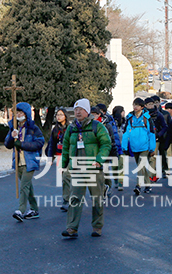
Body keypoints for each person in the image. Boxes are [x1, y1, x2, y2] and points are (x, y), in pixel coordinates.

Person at [61, 98, 111, 238]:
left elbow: (106, 144)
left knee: (97, 199)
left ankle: (97, 227)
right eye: (75, 110)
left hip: (94, 169)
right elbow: (66, 147)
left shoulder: (97, 126)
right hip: (77, 169)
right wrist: (64, 165)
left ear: (87, 111)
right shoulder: (71, 128)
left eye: (80, 109)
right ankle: (72, 228)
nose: (77, 112)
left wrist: (99, 160)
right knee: (75, 198)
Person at [4, 102, 45, 222]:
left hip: (30, 161)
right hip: (18, 162)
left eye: (21, 112)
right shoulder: (14, 127)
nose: (18, 114)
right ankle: (34, 209)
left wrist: (22, 144)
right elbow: (7, 144)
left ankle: (20, 210)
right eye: (16, 112)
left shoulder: (33, 128)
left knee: (24, 186)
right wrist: (12, 137)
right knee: (28, 186)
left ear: (26, 114)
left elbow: (39, 142)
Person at [122, 98, 156, 195]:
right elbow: (125, 133)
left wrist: (152, 148)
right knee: (141, 167)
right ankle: (148, 185)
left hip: (145, 146)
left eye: (137, 105)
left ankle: (138, 185)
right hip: (134, 146)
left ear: (142, 107)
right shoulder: (130, 118)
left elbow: (151, 133)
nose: (135, 107)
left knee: (140, 166)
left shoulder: (146, 118)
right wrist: (124, 147)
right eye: (134, 105)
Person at [96, 103, 124, 192]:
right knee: (107, 168)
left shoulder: (109, 122)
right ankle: (107, 185)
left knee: (119, 165)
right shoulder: (96, 123)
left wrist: (115, 147)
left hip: (115, 146)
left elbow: (114, 135)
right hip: (105, 148)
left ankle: (119, 182)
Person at [46, 108, 70, 211]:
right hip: (60, 156)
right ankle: (66, 199)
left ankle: (69, 199)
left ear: (65, 116)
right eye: (57, 115)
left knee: (68, 177)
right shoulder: (55, 129)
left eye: (61, 114)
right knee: (65, 178)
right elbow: (52, 144)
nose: (58, 117)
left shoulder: (70, 128)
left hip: (70, 156)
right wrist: (50, 158)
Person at [145, 97, 167, 183]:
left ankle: (150, 177)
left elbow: (165, 126)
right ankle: (153, 174)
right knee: (147, 157)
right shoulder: (143, 115)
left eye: (152, 104)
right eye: (149, 104)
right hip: (145, 139)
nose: (151, 106)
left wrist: (158, 134)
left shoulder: (158, 114)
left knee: (152, 157)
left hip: (155, 139)